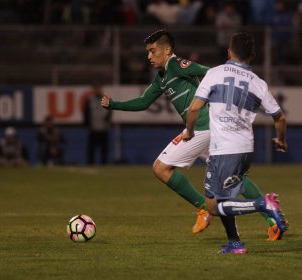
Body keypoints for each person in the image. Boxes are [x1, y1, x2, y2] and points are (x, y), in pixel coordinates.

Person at [101, 30, 283, 239]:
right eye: (148, 53)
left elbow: (209, 72)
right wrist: (114, 105)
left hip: (201, 127)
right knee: (236, 180)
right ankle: (272, 218)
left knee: (160, 168)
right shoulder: (162, 77)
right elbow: (143, 102)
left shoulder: (177, 65)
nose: (149, 57)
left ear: (167, 50)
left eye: (152, 51)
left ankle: (203, 208)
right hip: (209, 128)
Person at [182, 32, 288, 254]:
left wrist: (190, 131)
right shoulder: (258, 83)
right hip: (246, 149)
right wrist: (280, 139)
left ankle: (263, 204)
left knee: (213, 205)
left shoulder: (215, 73)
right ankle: (235, 243)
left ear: (229, 52)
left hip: (223, 149)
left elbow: (194, 108)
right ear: (252, 56)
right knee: (225, 197)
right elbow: (279, 117)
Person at [84, 85, 112, 165]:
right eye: (96, 89)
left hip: (103, 128)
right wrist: (88, 125)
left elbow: (110, 111)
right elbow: (86, 113)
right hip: (93, 128)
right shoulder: (90, 100)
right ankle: (90, 163)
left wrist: (108, 121)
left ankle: (104, 164)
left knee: (104, 148)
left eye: (99, 89)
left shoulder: (105, 100)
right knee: (91, 148)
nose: (98, 91)